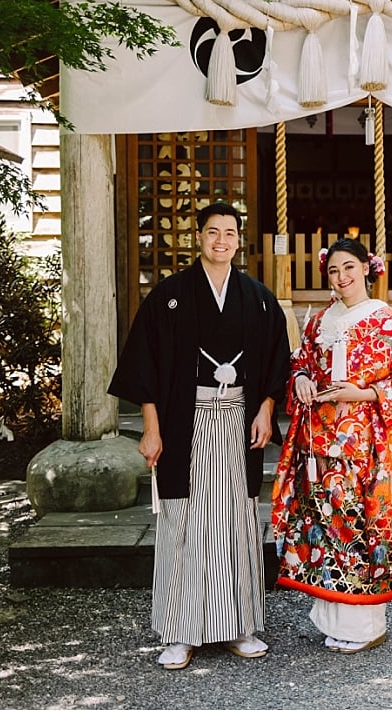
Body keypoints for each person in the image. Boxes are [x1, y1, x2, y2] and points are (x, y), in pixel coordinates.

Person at [108, 201, 291, 670]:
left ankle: (239, 625)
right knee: (184, 520)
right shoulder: (170, 296)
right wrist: (151, 429)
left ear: (239, 240)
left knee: (236, 520)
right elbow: (144, 365)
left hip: (239, 418)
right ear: (199, 237)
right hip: (182, 422)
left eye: (229, 233)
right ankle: (180, 630)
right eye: (213, 232)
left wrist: (266, 410)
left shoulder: (258, 298)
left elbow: (276, 364)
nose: (221, 241)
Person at [271, 238, 392, 654]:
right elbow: (301, 361)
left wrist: (363, 394)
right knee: (326, 524)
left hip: (364, 442)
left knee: (356, 524)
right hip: (319, 441)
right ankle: (333, 619)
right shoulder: (319, 320)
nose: (341, 277)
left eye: (349, 268)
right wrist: (301, 379)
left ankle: (365, 626)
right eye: (334, 270)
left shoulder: (385, 321)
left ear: (366, 269)